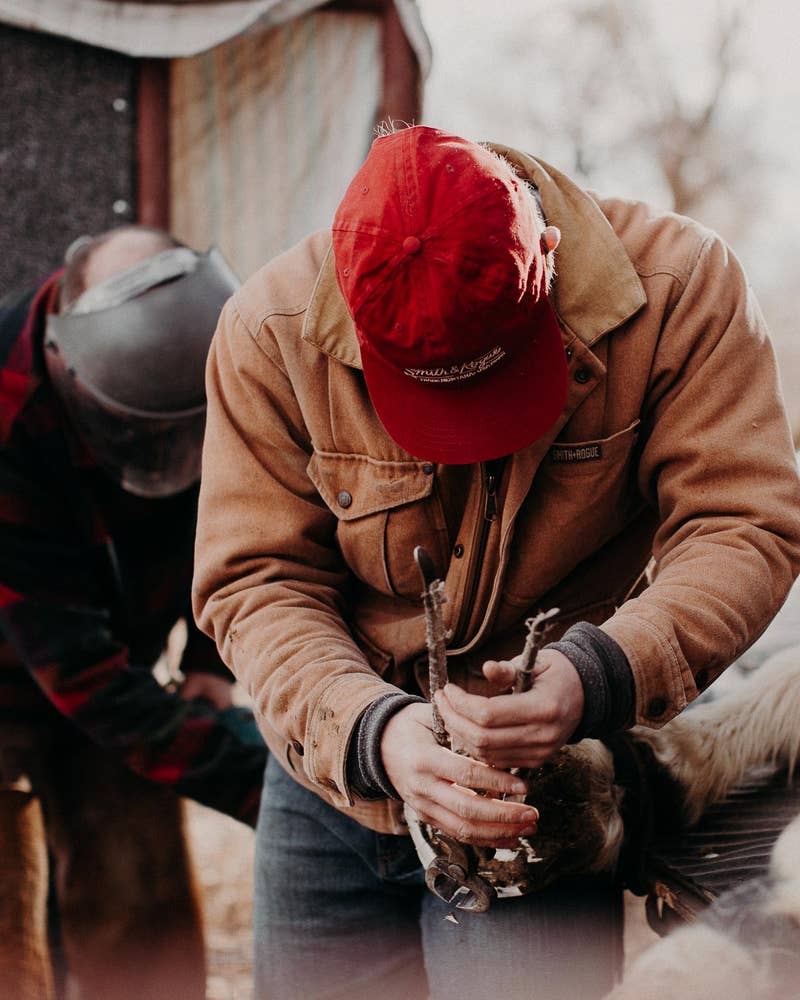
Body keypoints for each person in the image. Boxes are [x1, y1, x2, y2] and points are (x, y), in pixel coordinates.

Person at [192, 126, 800, 1000]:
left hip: (543, 794)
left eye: (499, 381)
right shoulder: (269, 331)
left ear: (547, 256)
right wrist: (374, 733)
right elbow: (256, 581)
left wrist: (599, 675)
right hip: (336, 774)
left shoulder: (683, 291)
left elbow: (742, 524)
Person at [0, 225, 268, 1000]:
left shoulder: (218, 362)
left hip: (117, 649)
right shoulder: (10, 414)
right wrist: (271, 785)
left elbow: (239, 525)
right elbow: (80, 672)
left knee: (143, 917)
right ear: (66, 364)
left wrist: (210, 665)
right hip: (33, 658)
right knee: (10, 944)